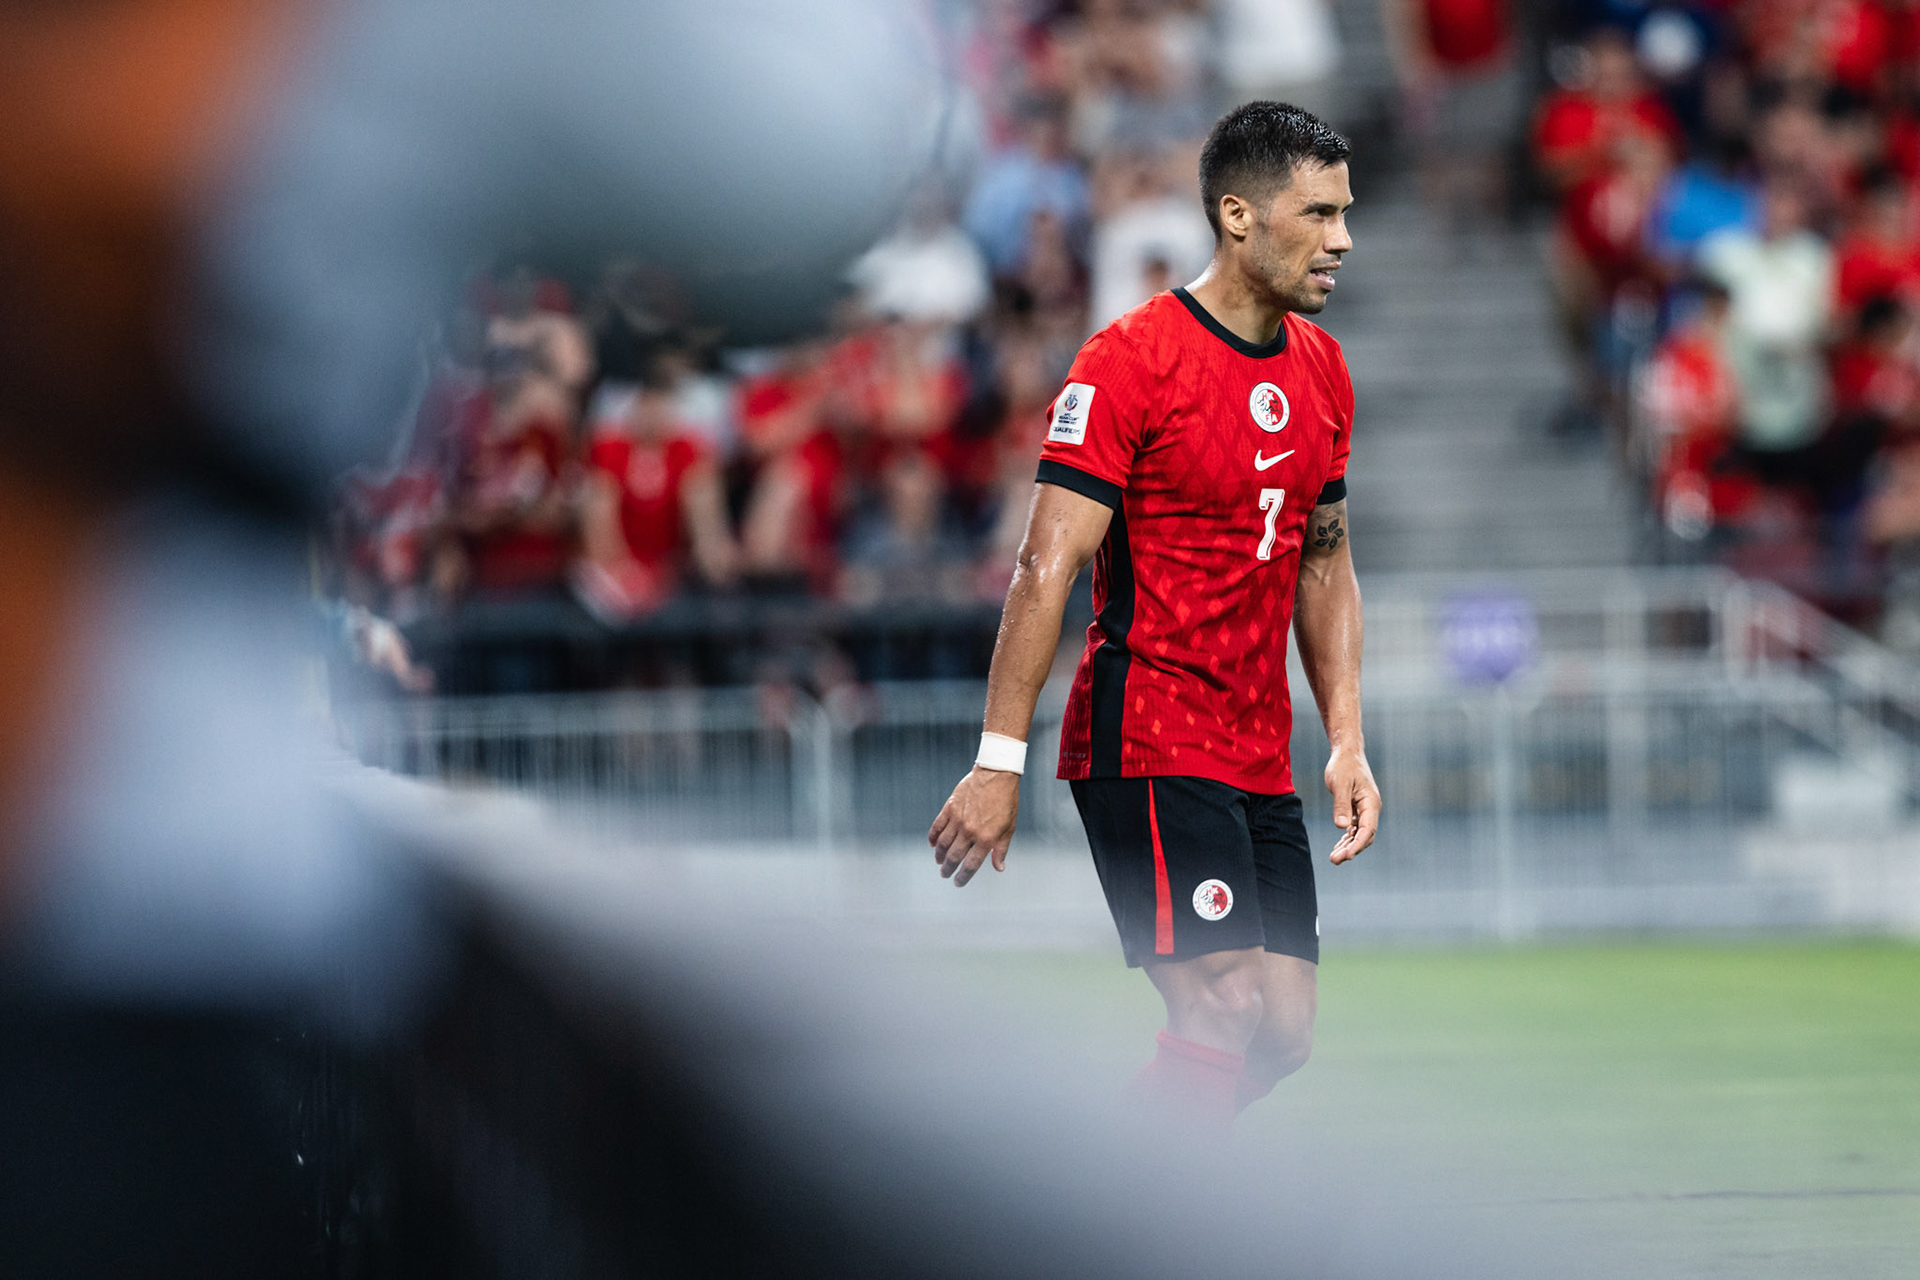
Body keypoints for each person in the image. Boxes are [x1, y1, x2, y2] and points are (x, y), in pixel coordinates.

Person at [927, 102, 1380, 1136]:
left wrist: (1347, 738)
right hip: (1149, 730)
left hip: (1257, 748)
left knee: (1283, 1032)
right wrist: (997, 760)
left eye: (1345, 213)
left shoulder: (1323, 369)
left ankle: (1108, 1176)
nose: (1343, 239)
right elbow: (1045, 563)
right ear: (1238, 214)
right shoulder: (1131, 359)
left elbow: (1325, 562)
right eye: (1319, 214)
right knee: (1224, 1005)